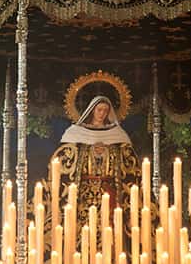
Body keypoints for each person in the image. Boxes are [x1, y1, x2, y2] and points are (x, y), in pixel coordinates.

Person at [48, 93, 142, 238]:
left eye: (106, 110)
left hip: (109, 193)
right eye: (99, 110)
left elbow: (128, 161)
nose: (102, 113)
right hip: (83, 195)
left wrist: (107, 151)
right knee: (84, 232)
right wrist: (89, 150)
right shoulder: (75, 133)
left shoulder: (117, 134)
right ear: (92, 110)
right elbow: (64, 158)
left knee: (108, 232)